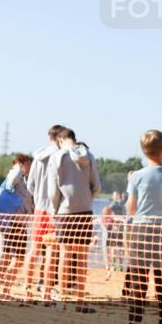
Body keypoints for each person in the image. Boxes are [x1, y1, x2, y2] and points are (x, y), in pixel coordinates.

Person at [122, 130, 162, 324]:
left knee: (139, 285)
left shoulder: (137, 176)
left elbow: (131, 208)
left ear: (143, 151)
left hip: (142, 231)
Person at [48, 127, 101, 311]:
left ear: (62, 139)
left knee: (65, 254)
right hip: (85, 210)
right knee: (82, 256)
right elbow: (97, 186)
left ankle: (62, 300)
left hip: (64, 211)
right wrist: (87, 199)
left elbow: (53, 191)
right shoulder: (89, 155)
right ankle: (80, 301)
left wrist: (54, 210)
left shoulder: (57, 157)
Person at [25, 124, 64, 302]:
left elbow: (30, 185)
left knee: (34, 250)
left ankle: (28, 292)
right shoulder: (62, 156)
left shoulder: (38, 157)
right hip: (55, 210)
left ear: (49, 137)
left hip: (39, 209)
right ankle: (46, 294)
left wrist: (38, 199)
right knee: (51, 252)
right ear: (61, 138)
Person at [0, 154, 35, 300]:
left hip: (19, 222)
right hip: (13, 222)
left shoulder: (23, 178)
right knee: (9, 257)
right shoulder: (17, 173)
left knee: (15, 258)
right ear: (23, 163)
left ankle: (2, 290)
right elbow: (10, 186)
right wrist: (19, 169)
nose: (31, 167)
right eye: (29, 164)